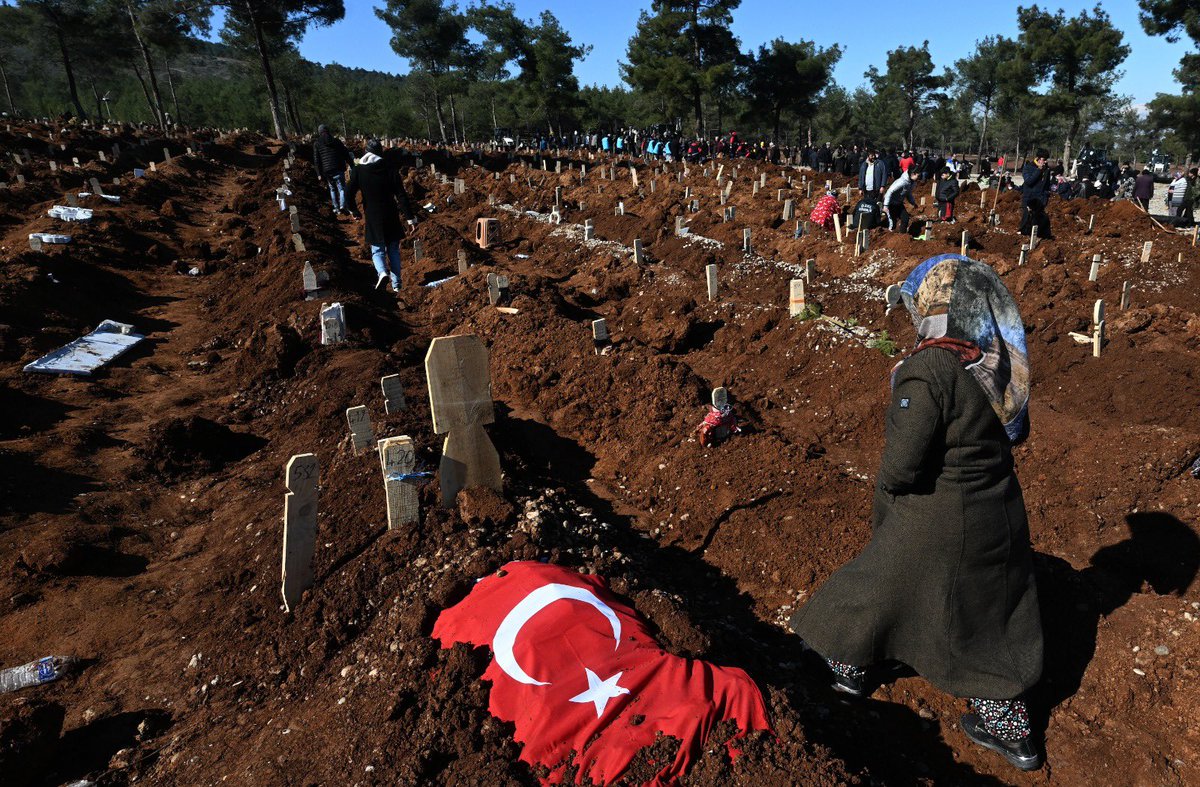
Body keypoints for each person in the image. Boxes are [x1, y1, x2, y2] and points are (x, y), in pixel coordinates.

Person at [791, 254, 1042, 773]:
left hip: (943, 519)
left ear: (934, 307)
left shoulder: (929, 367)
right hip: (999, 514)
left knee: (868, 588)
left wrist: (887, 492)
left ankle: (850, 666)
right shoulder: (990, 361)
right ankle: (1012, 728)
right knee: (987, 619)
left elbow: (903, 468)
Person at [345, 139, 416, 293]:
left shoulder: (359, 170)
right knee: (393, 250)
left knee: (377, 250)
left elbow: (349, 192)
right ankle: (397, 285)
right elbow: (401, 195)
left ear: (366, 152)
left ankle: (382, 272)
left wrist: (353, 210)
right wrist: (411, 218)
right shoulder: (390, 169)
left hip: (372, 214)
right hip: (390, 213)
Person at [313, 124, 354, 215]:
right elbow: (345, 153)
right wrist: (352, 164)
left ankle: (336, 208)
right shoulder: (336, 141)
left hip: (327, 171)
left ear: (319, 132)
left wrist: (318, 173)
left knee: (332, 189)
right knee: (341, 188)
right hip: (338, 167)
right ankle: (343, 205)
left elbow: (317, 160)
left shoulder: (317, 143)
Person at [1020, 151, 1051, 238]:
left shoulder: (1047, 170)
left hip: (1040, 200)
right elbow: (1029, 181)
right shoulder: (1028, 167)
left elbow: (1047, 185)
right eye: (1044, 160)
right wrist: (1038, 170)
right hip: (1029, 199)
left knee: (1038, 222)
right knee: (1027, 220)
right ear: (1038, 159)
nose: (1045, 162)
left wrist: (1045, 197)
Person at [883, 166, 919, 232]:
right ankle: (890, 237)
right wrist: (886, 205)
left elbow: (908, 193)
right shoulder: (902, 182)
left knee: (905, 218)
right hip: (891, 203)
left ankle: (902, 236)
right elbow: (889, 192)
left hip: (898, 203)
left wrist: (913, 203)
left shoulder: (910, 182)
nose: (918, 178)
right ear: (913, 174)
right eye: (918, 176)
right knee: (892, 222)